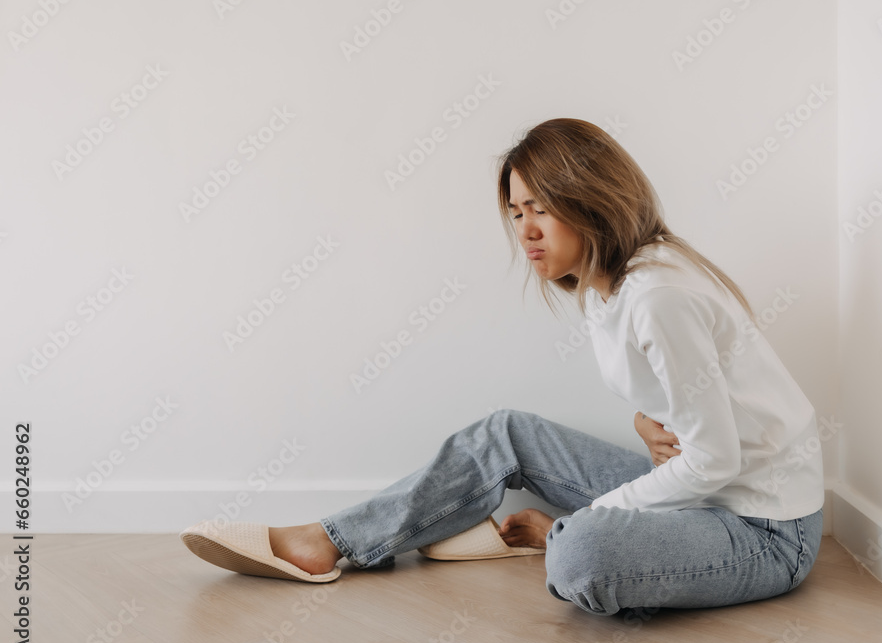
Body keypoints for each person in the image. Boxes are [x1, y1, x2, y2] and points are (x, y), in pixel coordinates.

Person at [181, 117, 825, 616]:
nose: (526, 232)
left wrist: (579, 524)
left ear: (590, 197)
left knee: (580, 554)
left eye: (541, 208)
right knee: (505, 433)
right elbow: (691, 390)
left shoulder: (659, 294)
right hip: (700, 497)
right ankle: (330, 541)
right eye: (517, 213)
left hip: (763, 531)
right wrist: (642, 418)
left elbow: (715, 460)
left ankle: (542, 537)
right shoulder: (609, 285)